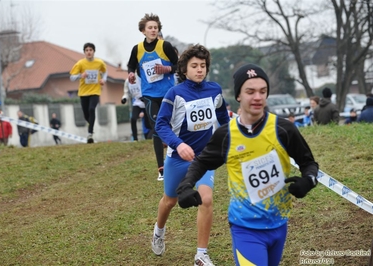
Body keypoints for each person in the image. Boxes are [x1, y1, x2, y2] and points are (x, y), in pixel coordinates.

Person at [176, 63, 319, 266]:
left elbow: (309, 163)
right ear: (238, 96)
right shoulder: (226, 135)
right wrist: (185, 186)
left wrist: (308, 181)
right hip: (245, 227)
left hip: (279, 224)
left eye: (263, 91)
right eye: (250, 91)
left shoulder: (284, 129)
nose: (258, 97)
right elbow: (201, 162)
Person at [153, 44, 229, 265]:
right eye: (194, 66)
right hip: (178, 158)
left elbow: (224, 119)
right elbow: (161, 125)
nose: (199, 70)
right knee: (170, 201)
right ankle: (159, 232)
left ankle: (201, 255)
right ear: (184, 70)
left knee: (206, 199)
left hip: (204, 158)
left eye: (203, 66)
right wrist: (178, 145)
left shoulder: (215, 90)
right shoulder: (174, 93)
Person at [127, 13, 179, 180]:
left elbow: (178, 64)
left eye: (155, 27)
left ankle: (178, 158)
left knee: (173, 126)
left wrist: (167, 69)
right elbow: (131, 65)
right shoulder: (137, 49)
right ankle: (161, 169)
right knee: (158, 127)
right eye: (150, 27)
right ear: (143, 31)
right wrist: (131, 75)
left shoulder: (165, 46)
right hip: (149, 94)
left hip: (168, 93)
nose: (153, 30)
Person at [70, 42, 107, 143]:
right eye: (86, 50)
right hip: (83, 92)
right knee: (86, 114)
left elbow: (105, 72)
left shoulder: (99, 63)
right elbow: (71, 77)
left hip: (95, 91)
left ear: (94, 51)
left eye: (90, 50)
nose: (89, 52)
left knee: (91, 109)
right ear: (84, 52)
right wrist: (80, 76)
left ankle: (90, 134)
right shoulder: (80, 64)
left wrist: (104, 79)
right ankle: (90, 124)